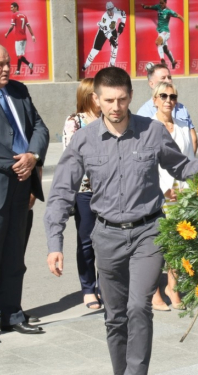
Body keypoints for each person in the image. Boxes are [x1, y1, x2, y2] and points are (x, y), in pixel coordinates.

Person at [44, 67, 198, 375]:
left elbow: (182, 167)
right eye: (108, 100)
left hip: (148, 232)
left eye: (121, 99)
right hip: (106, 236)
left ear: (131, 96)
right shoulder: (84, 140)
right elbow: (61, 193)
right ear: (96, 99)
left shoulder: (152, 131)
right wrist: (55, 243)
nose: (116, 107)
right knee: (115, 316)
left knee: (138, 307)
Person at [0, 44, 49, 335]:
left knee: (15, 254)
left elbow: (40, 128)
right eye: (1, 64)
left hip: (22, 185)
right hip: (4, 180)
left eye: (7, 63)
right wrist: (14, 164)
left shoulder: (19, 90)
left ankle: (12, 312)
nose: (6, 68)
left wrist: (32, 156)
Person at [150, 81, 192, 311]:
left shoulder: (183, 128)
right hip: (156, 195)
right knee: (157, 244)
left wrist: (185, 191)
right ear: (155, 99)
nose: (168, 100)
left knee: (177, 244)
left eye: (173, 96)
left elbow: (187, 163)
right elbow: (147, 166)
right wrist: (164, 191)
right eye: (163, 96)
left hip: (180, 195)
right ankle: (154, 292)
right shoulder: (147, 128)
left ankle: (173, 288)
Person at [62, 78, 102, 310]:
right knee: (86, 241)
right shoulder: (74, 121)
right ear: (89, 96)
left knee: (108, 241)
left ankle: (106, 286)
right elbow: (73, 155)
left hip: (109, 189)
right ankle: (88, 288)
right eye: (98, 94)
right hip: (85, 190)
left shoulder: (109, 119)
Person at [137, 63, 198, 153]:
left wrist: (188, 163)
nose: (168, 81)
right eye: (163, 78)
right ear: (151, 84)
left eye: (169, 77)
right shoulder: (144, 113)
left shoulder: (181, 108)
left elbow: (193, 140)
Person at [81, 2, 126, 72]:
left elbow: (124, 14)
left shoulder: (117, 11)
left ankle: (111, 65)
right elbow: (106, 32)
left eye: (112, 9)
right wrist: (111, 38)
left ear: (113, 8)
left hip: (112, 29)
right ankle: (86, 65)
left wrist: (122, 24)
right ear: (107, 10)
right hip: (103, 31)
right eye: (109, 10)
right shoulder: (104, 17)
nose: (111, 12)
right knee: (95, 50)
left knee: (115, 47)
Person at [141, 1, 183, 69]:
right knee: (165, 49)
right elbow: (150, 7)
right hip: (160, 32)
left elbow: (179, 16)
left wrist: (185, 22)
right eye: (160, 3)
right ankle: (173, 61)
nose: (161, 4)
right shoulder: (158, 7)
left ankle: (162, 60)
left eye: (162, 3)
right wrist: (145, 6)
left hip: (165, 32)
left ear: (165, 3)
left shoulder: (169, 11)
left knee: (157, 42)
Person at [4, 2, 35, 75]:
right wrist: (32, 35)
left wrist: (7, 33)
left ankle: (29, 64)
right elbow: (28, 26)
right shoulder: (24, 15)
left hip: (18, 38)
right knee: (20, 55)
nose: (11, 9)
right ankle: (18, 70)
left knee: (19, 55)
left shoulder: (14, 15)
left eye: (12, 7)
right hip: (24, 38)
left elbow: (12, 26)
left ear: (16, 7)